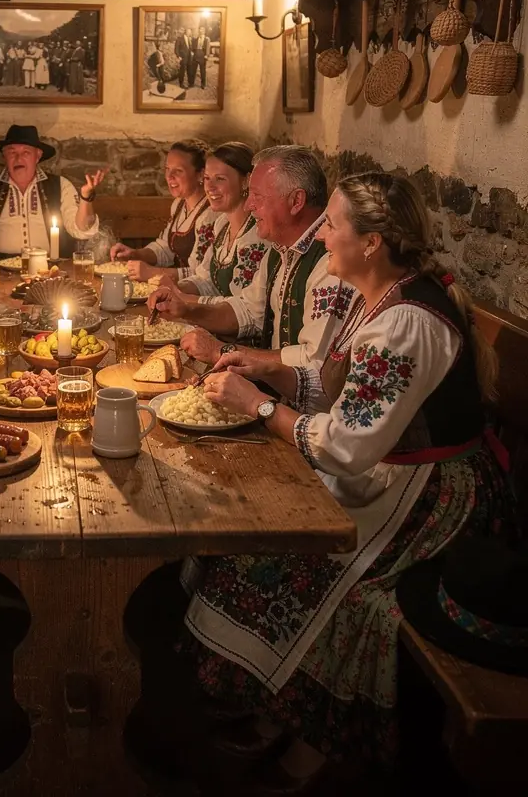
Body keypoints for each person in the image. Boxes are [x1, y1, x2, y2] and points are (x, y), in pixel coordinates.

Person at [182, 172, 514, 786]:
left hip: (433, 495)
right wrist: (264, 370)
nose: (321, 236)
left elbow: (347, 444)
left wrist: (258, 406)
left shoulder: (407, 324)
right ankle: (275, 706)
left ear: (372, 242)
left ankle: (313, 745)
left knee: (310, 570)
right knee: (253, 531)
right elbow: (335, 389)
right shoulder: (377, 296)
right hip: (386, 471)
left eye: (331, 225)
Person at [149, 144, 355, 370]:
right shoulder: (279, 249)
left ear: (296, 201)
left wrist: (222, 351)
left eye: (257, 196)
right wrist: (186, 309)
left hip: (290, 393)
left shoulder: (331, 261)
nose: (249, 204)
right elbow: (248, 311)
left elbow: (313, 362)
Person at [0, 124, 104, 258]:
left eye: (26, 153)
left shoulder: (60, 185)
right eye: (12, 152)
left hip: (48, 269)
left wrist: (86, 197)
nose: (18, 159)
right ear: (4, 156)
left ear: (37, 156)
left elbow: (83, 230)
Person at [173, 144, 268, 339]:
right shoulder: (222, 224)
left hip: (243, 343)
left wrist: (188, 301)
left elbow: (242, 306)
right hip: (214, 329)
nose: (209, 187)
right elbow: (206, 279)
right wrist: (175, 288)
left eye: (220, 179)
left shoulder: (256, 235)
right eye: (207, 178)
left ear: (246, 181)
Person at [110, 141, 215, 281]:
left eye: (178, 171)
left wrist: (153, 272)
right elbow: (165, 248)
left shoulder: (210, 214)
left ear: (201, 174)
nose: (169, 176)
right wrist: (135, 254)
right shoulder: (179, 204)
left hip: (194, 291)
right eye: (167, 169)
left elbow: (201, 274)